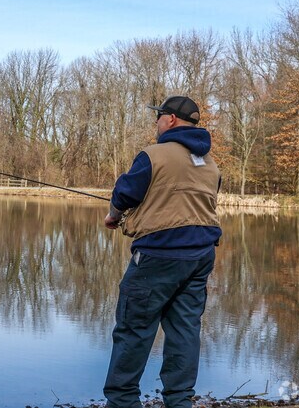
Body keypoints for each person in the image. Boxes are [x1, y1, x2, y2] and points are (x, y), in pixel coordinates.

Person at [103, 96, 222, 408]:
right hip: (200, 257)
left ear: (170, 120)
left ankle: (122, 402)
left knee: (133, 330)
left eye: (159, 117)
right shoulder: (210, 163)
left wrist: (113, 216)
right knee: (185, 330)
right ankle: (179, 401)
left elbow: (125, 193)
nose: (156, 122)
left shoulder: (153, 155)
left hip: (158, 255)